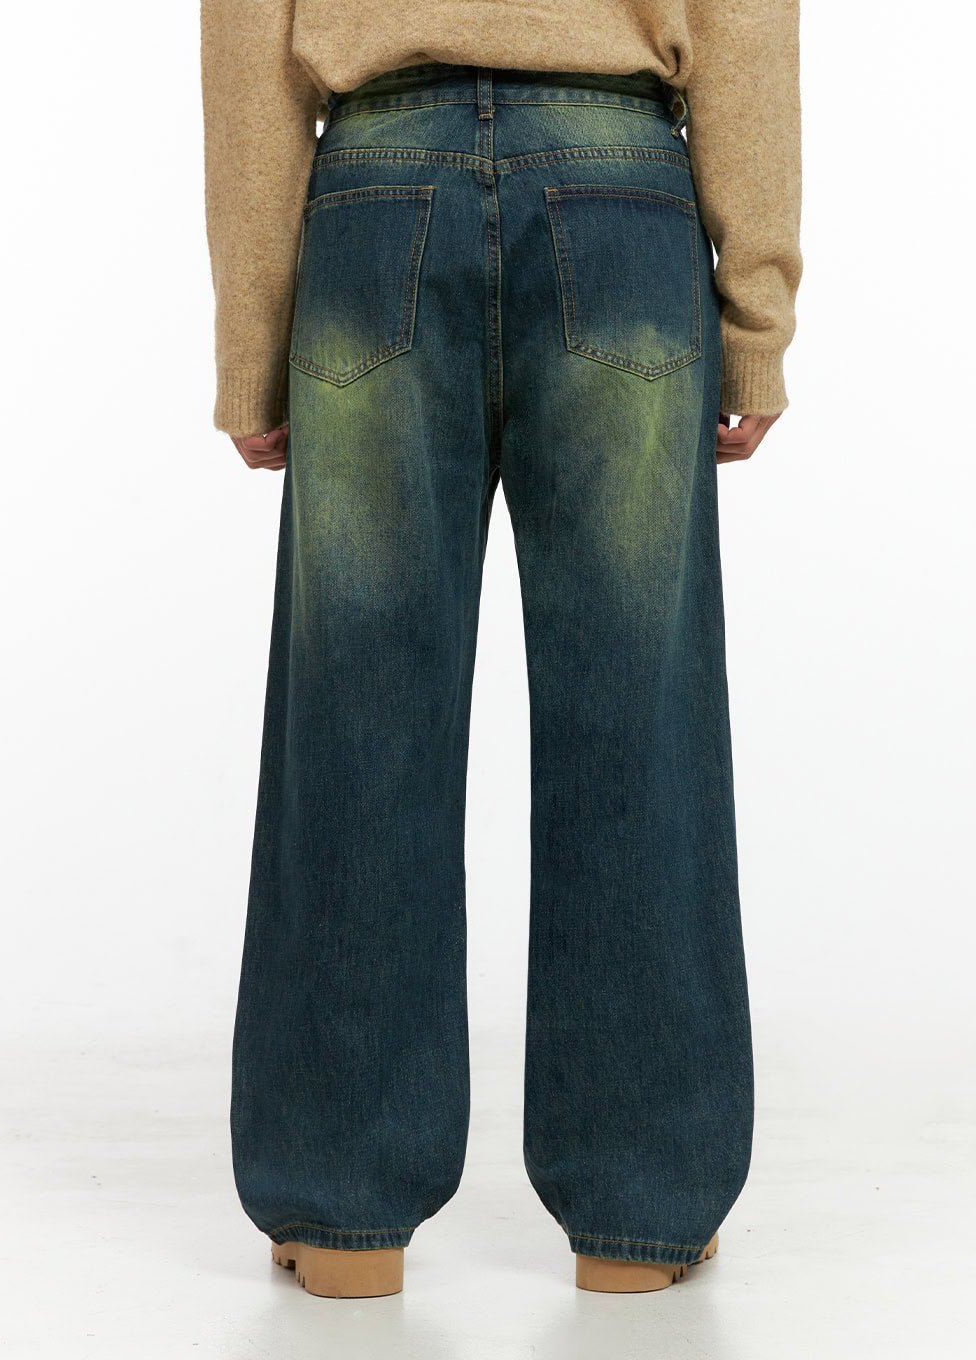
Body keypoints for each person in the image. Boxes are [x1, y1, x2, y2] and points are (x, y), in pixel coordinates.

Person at [199, 0, 802, 1301]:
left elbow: (250, 29)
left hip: (375, 201)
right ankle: (640, 1208)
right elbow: (744, 17)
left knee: (358, 709)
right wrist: (756, 308)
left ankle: (344, 1208)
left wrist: (253, 336)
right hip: (622, 196)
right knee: (638, 710)